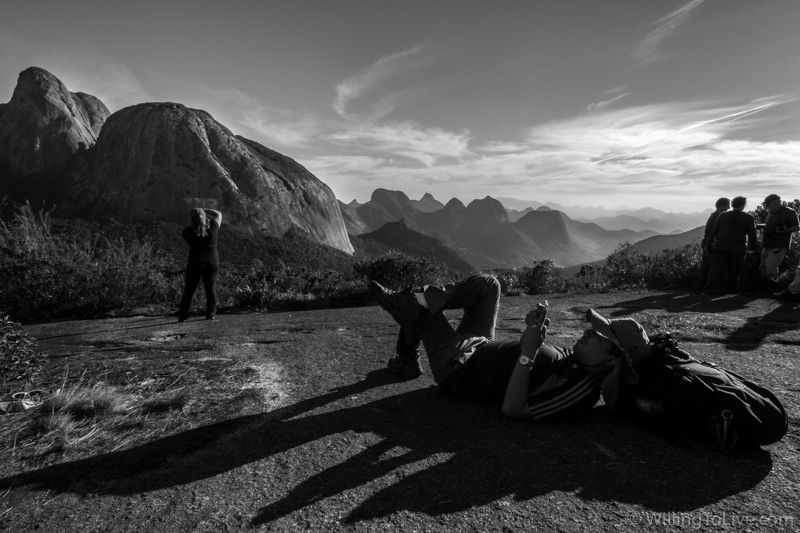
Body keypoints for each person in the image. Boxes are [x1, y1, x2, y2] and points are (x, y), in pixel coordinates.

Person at [368, 275, 650, 421]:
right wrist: (532, 332)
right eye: (595, 329)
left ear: (613, 362)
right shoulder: (582, 360)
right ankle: (419, 305)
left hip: (458, 366)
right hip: (480, 344)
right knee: (489, 285)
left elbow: (514, 408)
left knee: (420, 311)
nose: (590, 333)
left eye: (601, 337)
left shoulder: (580, 391)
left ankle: (409, 344)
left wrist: (527, 352)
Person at [178, 207, 223, 322]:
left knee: (189, 289)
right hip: (212, 261)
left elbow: (190, 232)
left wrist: (195, 218)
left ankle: (183, 315)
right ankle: (211, 314)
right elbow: (218, 214)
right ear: (204, 217)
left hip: (195, 261)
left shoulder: (187, 232)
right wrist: (203, 210)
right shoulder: (213, 227)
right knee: (210, 288)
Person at [705, 196, 757, 293]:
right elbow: (752, 235)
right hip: (738, 248)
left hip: (720, 246)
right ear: (743, 205)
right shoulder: (748, 218)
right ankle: (731, 288)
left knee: (719, 269)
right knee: (734, 269)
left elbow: (714, 231)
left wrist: (709, 243)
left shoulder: (723, 215)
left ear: (733, 204)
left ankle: (718, 288)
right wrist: (753, 249)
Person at [758, 194, 798, 283]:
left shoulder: (789, 212)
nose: (767, 206)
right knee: (764, 267)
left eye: (769, 204)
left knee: (769, 268)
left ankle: (766, 289)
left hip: (779, 244)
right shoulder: (771, 212)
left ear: (776, 202)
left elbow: (796, 227)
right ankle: (770, 286)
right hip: (767, 244)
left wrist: (784, 230)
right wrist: (761, 226)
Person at [696, 197, 730, 290]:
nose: (729, 207)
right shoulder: (717, 217)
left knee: (706, 266)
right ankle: (708, 286)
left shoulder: (714, 216)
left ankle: (701, 285)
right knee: (713, 266)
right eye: (728, 205)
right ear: (722, 206)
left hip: (709, 243)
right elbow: (711, 232)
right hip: (711, 244)